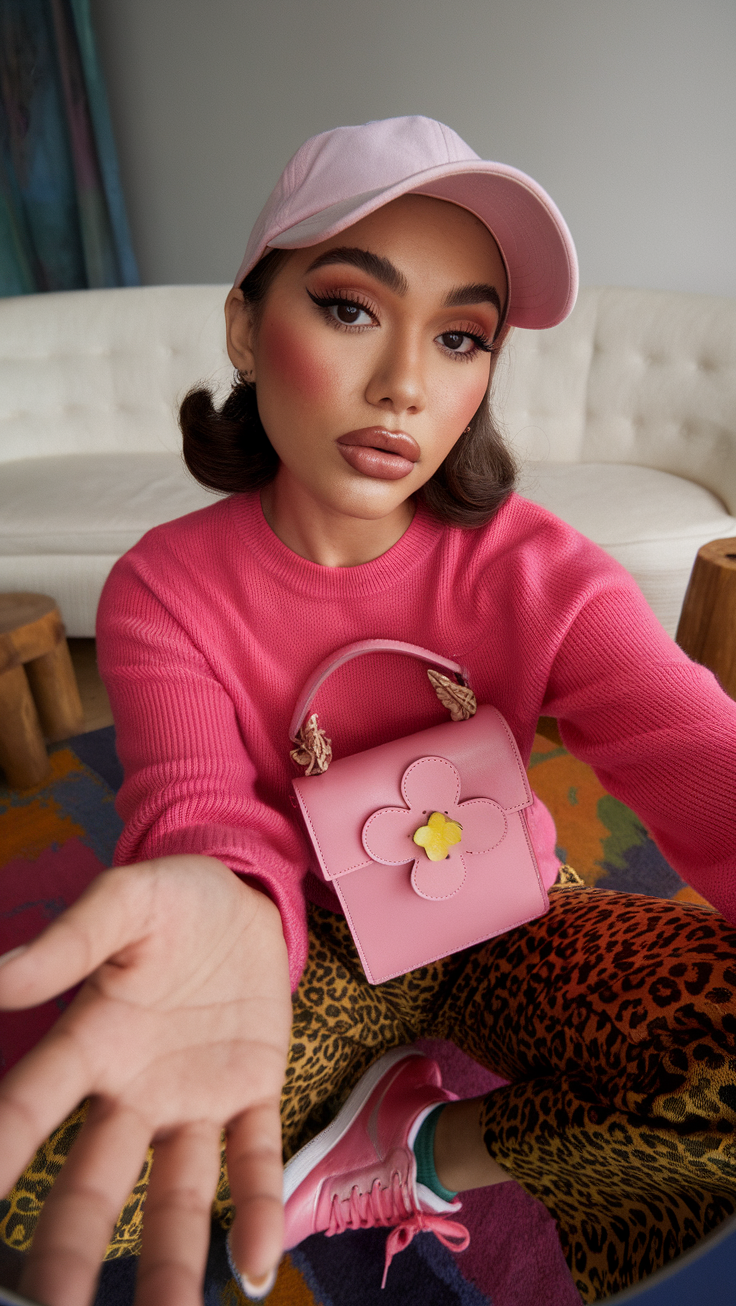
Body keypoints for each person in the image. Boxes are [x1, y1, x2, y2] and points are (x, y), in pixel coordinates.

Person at [1, 115, 735, 1306]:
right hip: (307, 960)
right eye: (351, 307)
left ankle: (412, 1152)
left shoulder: (541, 568)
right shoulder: (162, 586)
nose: (405, 382)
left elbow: (698, 749)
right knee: (40, 1206)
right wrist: (226, 905)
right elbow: (198, 807)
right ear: (247, 323)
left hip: (508, 924)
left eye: (459, 338)